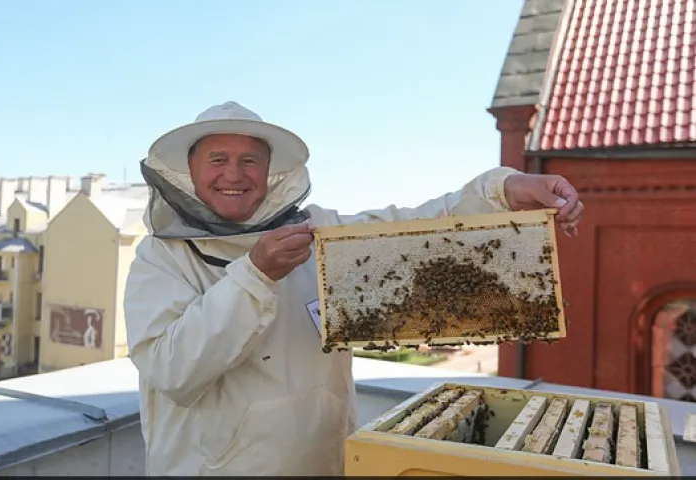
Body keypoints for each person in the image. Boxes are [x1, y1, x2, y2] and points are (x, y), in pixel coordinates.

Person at [123, 101, 584, 476]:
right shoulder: (161, 258)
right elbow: (173, 371)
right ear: (190, 171)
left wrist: (502, 192)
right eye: (217, 160)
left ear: (270, 172)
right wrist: (255, 274)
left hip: (326, 463)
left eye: (250, 161)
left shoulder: (316, 231)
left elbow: (414, 227)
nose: (234, 175)